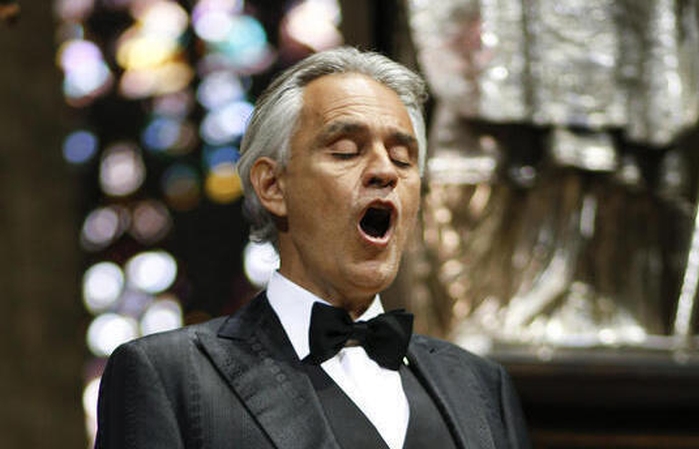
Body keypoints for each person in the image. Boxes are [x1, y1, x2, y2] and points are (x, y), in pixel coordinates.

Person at [94, 46, 531, 449]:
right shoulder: (170, 377)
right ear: (272, 185)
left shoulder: (481, 385)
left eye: (403, 158)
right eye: (346, 151)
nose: (385, 171)